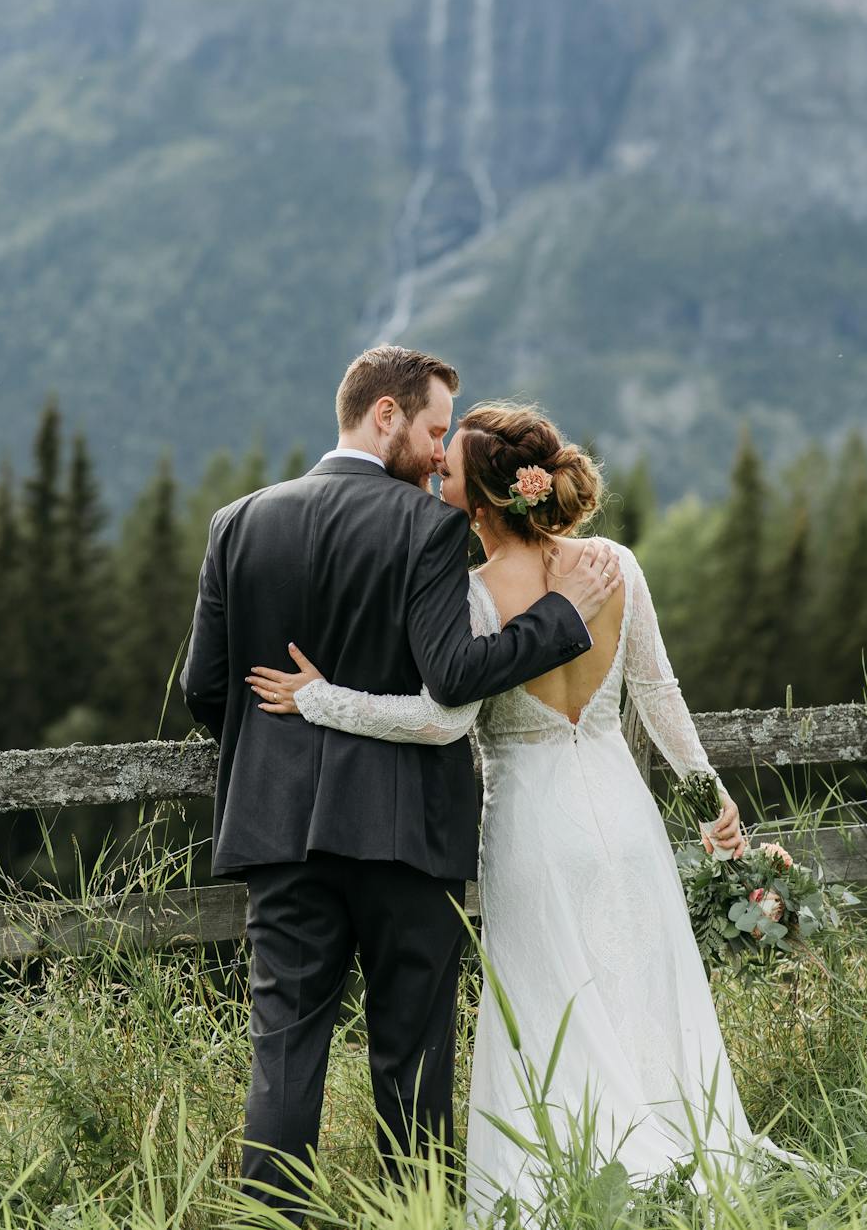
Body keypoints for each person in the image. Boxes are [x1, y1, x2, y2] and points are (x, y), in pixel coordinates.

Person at [246, 400, 798, 1218]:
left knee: (550, 1008)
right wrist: (711, 800)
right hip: (626, 817)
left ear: (481, 503)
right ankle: (679, 1157)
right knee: (644, 992)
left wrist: (324, 699)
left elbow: (440, 720)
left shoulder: (474, 596)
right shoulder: (615, 566)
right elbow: (657, 693)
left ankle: (580, 1179)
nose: (435, 478)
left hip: (534, 828)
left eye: (448, 473)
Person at [179, 347, 670, 1221]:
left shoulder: (238, 522)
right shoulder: (427, 527)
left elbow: (204, 691)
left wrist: (279, 760)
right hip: (409, 838)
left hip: (280, 838)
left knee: (283, 1061)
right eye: (436, 429)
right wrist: (563, 620)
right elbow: (450, 675)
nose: (441, 454)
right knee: (412, 1070)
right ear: (384, 417)